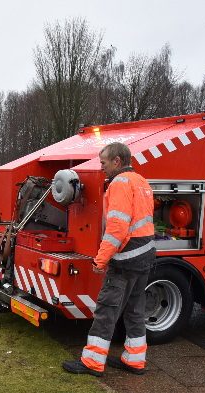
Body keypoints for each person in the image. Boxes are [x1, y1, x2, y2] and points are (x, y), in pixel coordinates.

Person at [62, 142, 155, 377]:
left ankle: (92, 362)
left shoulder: (120, 184)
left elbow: (117, 228)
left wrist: (100, 260)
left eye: (103, 162)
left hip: (125, 258)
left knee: (107, 309)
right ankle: (135, 360)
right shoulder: (141, 181)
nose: (101, 167)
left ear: (117, 161)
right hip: (144, 255)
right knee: (135, 309)